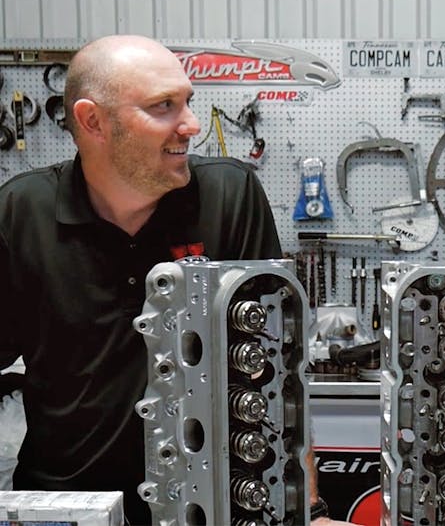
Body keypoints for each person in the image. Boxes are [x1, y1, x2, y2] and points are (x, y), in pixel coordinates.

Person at [0, 35, 353, 526]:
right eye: (163, 106)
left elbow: (278, 372)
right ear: (92, 121)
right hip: (69, 508)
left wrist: (309, 510)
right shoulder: (20, 213)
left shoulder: (230, 196)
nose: (191, 124)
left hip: (214, 506)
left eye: (187, 101)